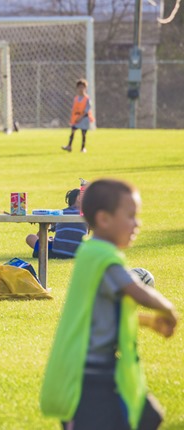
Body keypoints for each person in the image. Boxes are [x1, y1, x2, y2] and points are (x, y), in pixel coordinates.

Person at [40, 179, 178, 430]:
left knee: (149, 417)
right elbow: (138, 292)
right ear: (104, 219)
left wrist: (147, 322)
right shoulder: (102, 257)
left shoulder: (94, 254)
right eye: (130, 216)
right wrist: (169, 310)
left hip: (102, 369)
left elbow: (102, 314)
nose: (138, 223)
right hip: (91, 375)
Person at [25, 188, 88, 259]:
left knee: (31, 237)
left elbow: (43, 232)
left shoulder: (61, 213)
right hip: (79, 253)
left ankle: (40, 250)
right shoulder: (88, 214)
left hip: (57, 252)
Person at [62, 79, 94, 153]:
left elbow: (87, 110)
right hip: (76, 118)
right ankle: (69, 146)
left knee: (83, 133)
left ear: (85, 88)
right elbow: (74, 109)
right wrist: (73, 119)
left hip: (84, 118)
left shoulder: (87, 99)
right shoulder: (76, 98)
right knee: (72, 131)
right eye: (79, 87)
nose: (81, 89)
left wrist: (80, 117)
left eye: (82, 87)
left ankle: (83, 148)